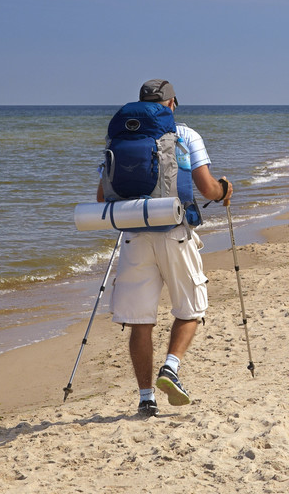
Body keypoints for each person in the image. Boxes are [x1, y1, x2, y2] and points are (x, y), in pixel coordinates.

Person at [98, 79, 233, 416]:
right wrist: (224, 190)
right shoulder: (186, 135)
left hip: (133, 233)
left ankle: (146, 398)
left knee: (140, 320)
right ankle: (171, 367)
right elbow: (206, 188)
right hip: (175, 230)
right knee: (191, 306)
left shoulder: (120, 135)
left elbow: (102, 196)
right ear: (173, 103)